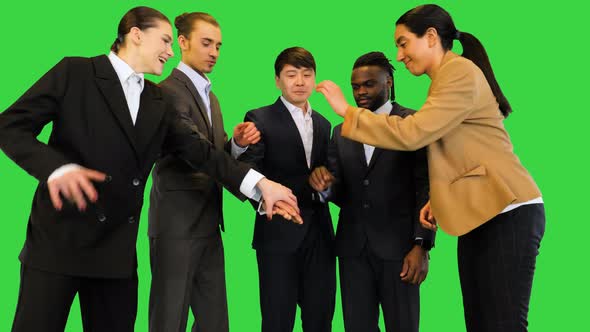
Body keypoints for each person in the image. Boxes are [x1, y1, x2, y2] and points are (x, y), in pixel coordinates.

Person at [0, 6, 300, 332]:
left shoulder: (157, 100)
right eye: (166, 41)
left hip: (115, 255)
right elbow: (10, 127)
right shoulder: (75, 72)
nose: (171, 52)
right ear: (137, 35)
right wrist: (57, 169)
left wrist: (260, 185)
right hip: (56, 244)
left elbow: (201, 153)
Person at [316, 4, 545, 332]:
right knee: (481, 324)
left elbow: (413, 134)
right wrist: (438, 197)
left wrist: (346, 111)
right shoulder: (444, 81)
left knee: (502, 324)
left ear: (432, 37)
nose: (399, 54)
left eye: (404, 42)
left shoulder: (459, 72)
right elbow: (453, 152)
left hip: (508, 210)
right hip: (480, 212)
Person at [148, 12, 262, 332]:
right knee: (169, 320)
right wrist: (258, 185)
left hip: (209, 226)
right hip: (176, 227)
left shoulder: (211, 98)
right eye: (207, 43)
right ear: (182, 43)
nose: (214, 52)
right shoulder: (166, 92)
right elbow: (194, 152)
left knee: (215, 323)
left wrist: (236, 144)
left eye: (219, 46)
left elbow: (213, 154)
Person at [309, 51, 433, 332]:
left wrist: (421, 245)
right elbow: (341, 191)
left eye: (369, 84)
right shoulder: (341, 132)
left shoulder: (412, 122)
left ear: (388, 82)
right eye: (355, 86)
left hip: (400, 251)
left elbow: (426, 186)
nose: (361, 92)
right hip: (353, 250)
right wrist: (325, 187)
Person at [238, 47, 335, 332]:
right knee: (277, 320)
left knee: (320, 318)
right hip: (277, 233)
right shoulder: (260, 117)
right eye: (291, 75)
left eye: (307, 74)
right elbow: (246, 170)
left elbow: (326, 175)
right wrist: (266, 202)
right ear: (278, 80)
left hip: (319, 234)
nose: (300, 81)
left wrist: (326, 184)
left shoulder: (324, 123)